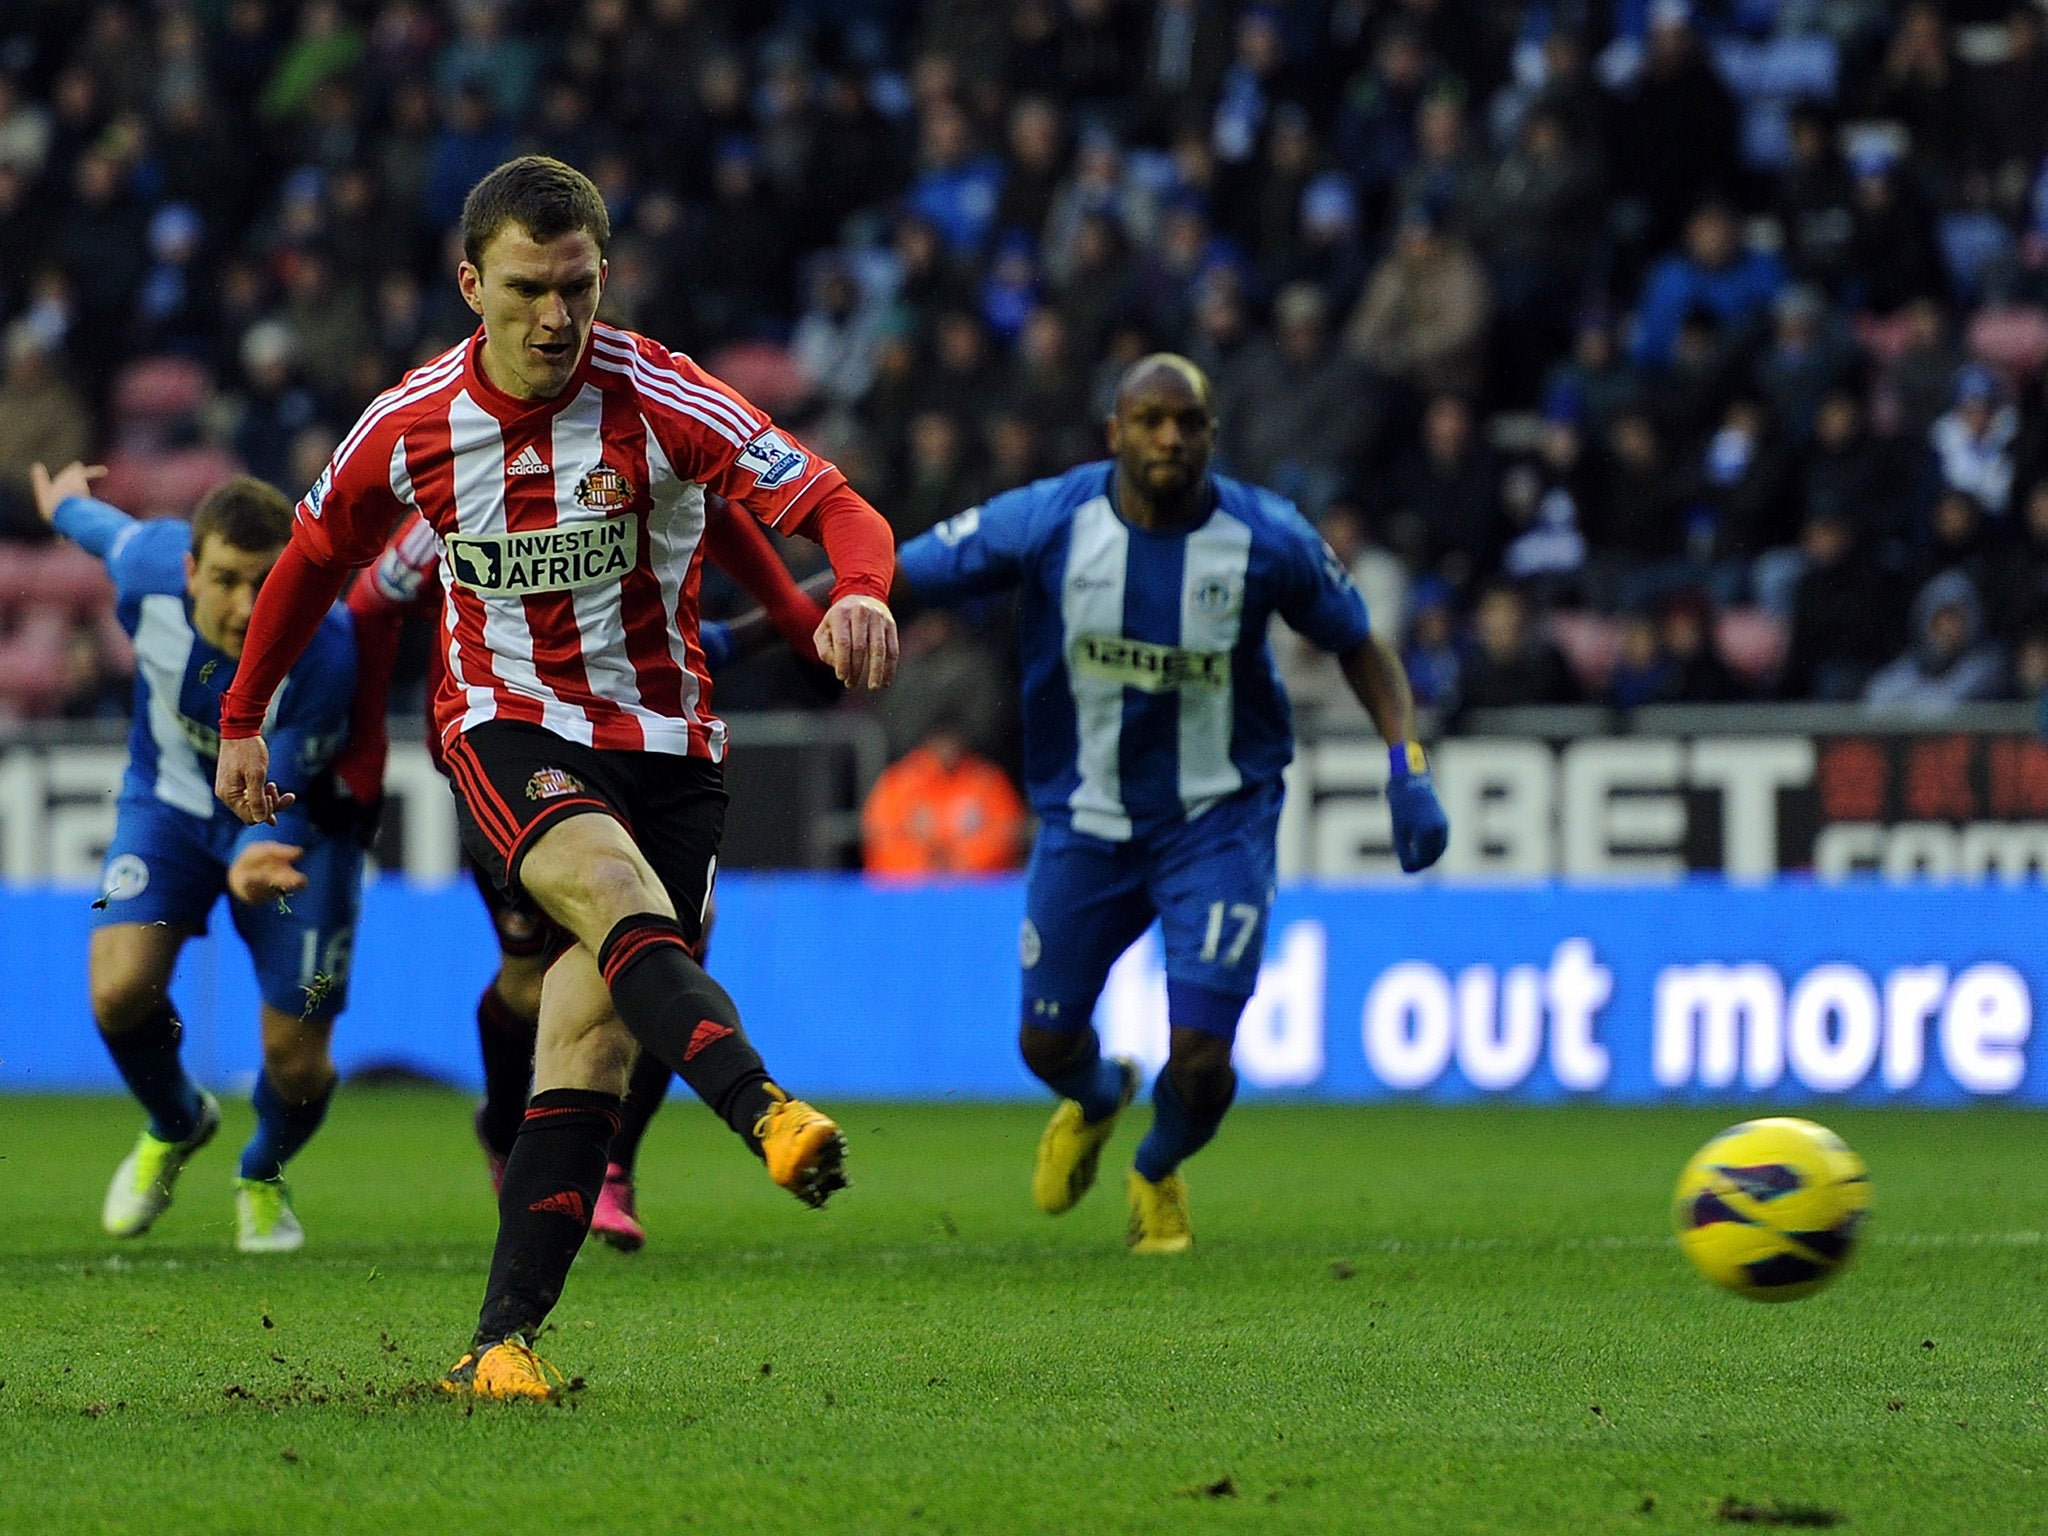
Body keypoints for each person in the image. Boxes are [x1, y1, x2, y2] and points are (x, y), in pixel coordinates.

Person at [213, 156, 899, 1400]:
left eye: (576, 286)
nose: (555, 317)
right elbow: (311, 560)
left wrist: (853, 593)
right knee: (602, 885)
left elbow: (838, 505)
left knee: (584, 1043)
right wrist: (243, 714)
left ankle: (499, 1343)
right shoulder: (411, 424)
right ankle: (763, 1111)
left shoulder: (665, 398)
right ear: (471, 283)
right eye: (528, 288)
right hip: (507, 723)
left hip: (671, 744)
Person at [894, 353, 1447, 1256]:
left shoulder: (1265, 536)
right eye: (1149, 420)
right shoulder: (1053, 519)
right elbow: (898, 576)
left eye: (1187, 423)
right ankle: (1100, 1095)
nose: (1168, 437)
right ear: (1113, 434)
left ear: (1211, 437)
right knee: (1043, 1043)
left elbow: (1361, 645)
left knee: (1202, 1051)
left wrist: (1406, 763)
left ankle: (1156, 1165)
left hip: (1217, 820)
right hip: (1089, 822)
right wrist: (760, 630)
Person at [338, 498, 832, 1254]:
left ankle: (615, 1165)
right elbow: (370, 604)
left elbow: (706, 511)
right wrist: (368, 754)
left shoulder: (632, 455)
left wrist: (791, 610)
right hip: (508, 756)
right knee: (533, 981)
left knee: (662, 946)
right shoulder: (456, 482)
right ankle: (506, 1128)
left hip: (639, 747)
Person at [33, 462, 361, 1254]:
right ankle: (178, 1121)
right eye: (224, 581)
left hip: (292, 831)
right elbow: (103, 531)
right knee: (116, 990)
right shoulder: (148, 567)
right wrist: (64, 503)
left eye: (266, 581)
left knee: (300, 1063)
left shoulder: (326, 646)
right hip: (167, 811)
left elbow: (281, 769)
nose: (247, 608)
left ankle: (261, 1170)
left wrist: (250, 852)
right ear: (189, 569)